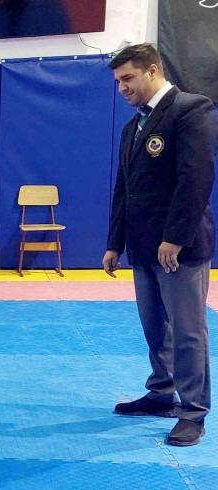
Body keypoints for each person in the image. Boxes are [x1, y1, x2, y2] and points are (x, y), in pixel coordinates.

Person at [103, 43, 218, 446]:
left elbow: (196, 179)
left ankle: (193, 412)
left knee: (187, 331)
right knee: (155, 327)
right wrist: (115, 242)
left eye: (128, 78)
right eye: (118, 81)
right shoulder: (132, 128)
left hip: (179, 248)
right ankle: (161, 392)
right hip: (142, 244)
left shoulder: (191, 109)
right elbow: (125, 190)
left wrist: (175, 238)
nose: (122, 88)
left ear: (153, 70)